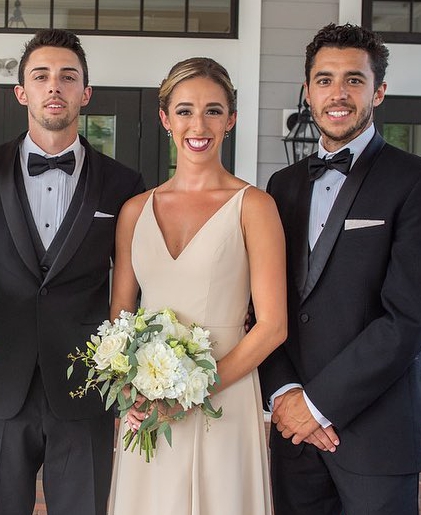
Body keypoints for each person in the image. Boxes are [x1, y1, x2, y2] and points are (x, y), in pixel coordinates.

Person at [107, 57, 287, 515]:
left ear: (231, 119)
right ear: (165, 118)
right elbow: (121, 318)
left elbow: (272, 326)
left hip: (222, 399)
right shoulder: (134, 211)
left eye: (213, 109)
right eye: (185, 110)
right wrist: (131, 393)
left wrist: (194, 393)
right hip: (148, 406)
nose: (198, 124)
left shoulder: (255, 206)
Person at [0, 29, 144, 515]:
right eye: (42, 76)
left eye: (68, 77)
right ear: (22, 92)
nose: (55, 86)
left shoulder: (124, 183)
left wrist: (125, 372)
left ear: (85, 93)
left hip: (86, 386)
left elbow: (127, 286)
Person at [260, 22, 421, 515]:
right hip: (293, 437)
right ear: (307, 92)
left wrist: (316, 405)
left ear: (379, 92)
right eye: (325, 79)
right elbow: (266, 304)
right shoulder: (281, 185)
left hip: (376, 434)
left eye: (354, 80)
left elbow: (406, 319)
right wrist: (286, 394)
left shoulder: (412, 180)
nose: (338, 93)